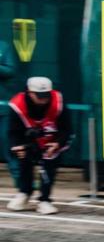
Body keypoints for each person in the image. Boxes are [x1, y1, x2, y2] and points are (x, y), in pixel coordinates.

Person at [6, 76, 73, 214]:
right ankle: (24, 192)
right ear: (29, 93)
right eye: (39, 96)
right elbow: (14, 131)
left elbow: (67, 128)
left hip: (53, 138)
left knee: (49, 163)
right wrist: (18, 146)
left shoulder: (58, 101)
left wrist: (57, 143)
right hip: (29, 137)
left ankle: (45, 200)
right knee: (24, 159)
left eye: (46, 95)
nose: (44, 99)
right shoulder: (17, 105)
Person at [0, 39, 18, 189]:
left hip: (3, 105)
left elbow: (10, 70)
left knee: (8, 142)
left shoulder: (3, 46)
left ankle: (21, 181)